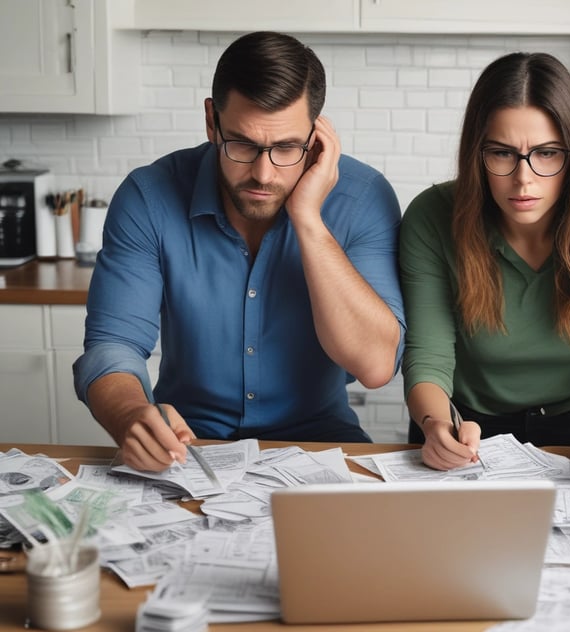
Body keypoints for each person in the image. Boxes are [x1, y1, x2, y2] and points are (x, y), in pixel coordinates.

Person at [74, 32, 405, 472]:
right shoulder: (148, 197)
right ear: (212, 121)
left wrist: (308, 219)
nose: (263, 173)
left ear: (316, 135)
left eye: (287, 147)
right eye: (243, 144)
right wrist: (133, 416)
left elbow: (377, 365)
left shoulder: (362, 198)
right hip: (186, 440)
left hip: (321, 436)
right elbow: (112, 346)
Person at [399, 52, 570, 481]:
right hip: (461, 426)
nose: (523, 179)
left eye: (546, 154)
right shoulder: (431, 217)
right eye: (502, 154)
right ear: (476, 154)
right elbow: (428, 356)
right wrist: (435, 426)